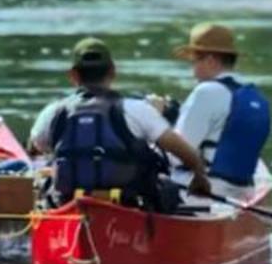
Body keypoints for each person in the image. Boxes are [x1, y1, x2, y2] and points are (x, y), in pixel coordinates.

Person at [29, 37, 211, 211]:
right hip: (127, 204)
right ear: (113, 72)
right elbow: (183, 151)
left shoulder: (53, 113)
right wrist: (199, 175)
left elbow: (38, 145)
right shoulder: (136, 109)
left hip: (70, 202)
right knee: (168, 188)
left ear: (73, 75)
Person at [166, 22, 271, 197]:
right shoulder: (255, 95)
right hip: (243, 189)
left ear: (210, 61)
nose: (193, 72)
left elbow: (175, 155)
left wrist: (155, 129)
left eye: (195, 62)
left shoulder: (207, 91)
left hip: (202, 191)